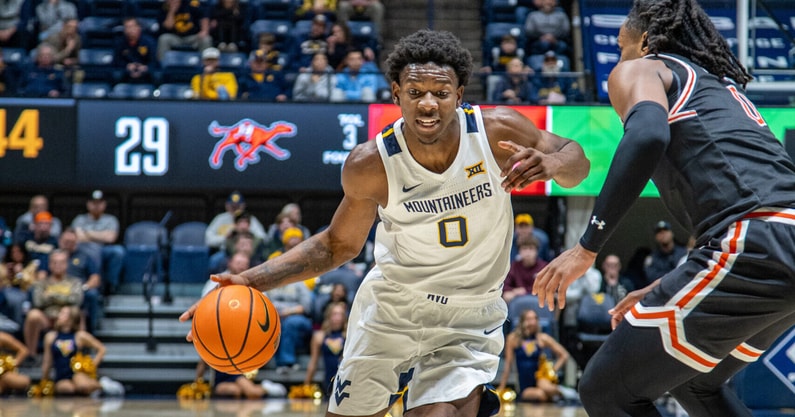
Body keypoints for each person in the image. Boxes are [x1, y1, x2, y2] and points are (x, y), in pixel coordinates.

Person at [181, 29, 588, 416]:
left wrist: (553, 164)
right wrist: (250, 280)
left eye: (441, 93)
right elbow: (336, 246)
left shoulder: (496, 131)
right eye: (415, 92)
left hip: (470, 315)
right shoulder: (370, 164)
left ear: (459, 95)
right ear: (396, 93)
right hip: (393, 309)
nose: (428, 104)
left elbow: (579, 160)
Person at [532, 1, 795, 416]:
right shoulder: (716, 87)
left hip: (757, 240)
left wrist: (587, 247)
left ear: (645, 42)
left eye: (621, 48)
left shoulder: (643, 68)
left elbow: (646, 137)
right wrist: (672, 281)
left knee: (605, 390)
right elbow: (738, 192)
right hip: (774, 237)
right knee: (693, 381)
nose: (618, 61)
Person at [496, 309, 577, 403]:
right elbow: (508, 365)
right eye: (529, 319)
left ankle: (567, 393)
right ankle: (558, 395)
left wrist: (552, 371)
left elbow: (564, 355)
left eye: (535, 319)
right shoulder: (513, 339)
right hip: (525, 386)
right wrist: (501, 387)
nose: (533, 322)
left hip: (540, 379)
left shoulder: (541, 338)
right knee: (540, 395)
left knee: (546, 387)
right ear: (522, 322)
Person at [23, 250, 83, 362]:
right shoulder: (42, 283)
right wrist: (64, 298)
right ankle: (31, 355)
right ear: (50, 264)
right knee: (33, 314)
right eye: (54, 262)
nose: (57, 265)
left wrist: (52, 296)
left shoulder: (75, 282)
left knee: (78, 312)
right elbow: (38, 302)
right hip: (47, 318)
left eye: (61, 262)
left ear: (66, 264)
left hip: (68, 318)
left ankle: (79, 355)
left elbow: (76, 300)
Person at [40, 305, 105, 396]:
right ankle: (89, 390)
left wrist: (92, 366)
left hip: (76, 373)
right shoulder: (51, 337)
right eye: (60, 313)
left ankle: (104, 385)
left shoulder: (79, 336)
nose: (59, 315)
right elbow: (47, 361)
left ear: (71, 318)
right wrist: (44, 381)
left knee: (82, 385)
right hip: (61, 376)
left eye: (63, 313)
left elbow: (101, 349)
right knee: (68, 389)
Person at [71, 190, 125, 297]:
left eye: (99, 203)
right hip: (84, 249)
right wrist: (101, 235)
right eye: (94, 203)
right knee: (91, 251)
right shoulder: (80, 219)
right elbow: (78, 237)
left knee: (118, 251)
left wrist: (88, 233)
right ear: (88, 204)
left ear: (104, 204)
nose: (96, 206)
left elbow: (111, 238)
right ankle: (96, 286)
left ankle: (110, 284)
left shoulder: (110, 219)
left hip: (104, 249)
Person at [58, 228, 102, 334]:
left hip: (79, 290)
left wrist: (83, 288)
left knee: (92, 294)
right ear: (60, 241)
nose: (68, 244)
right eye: (66, 241)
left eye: (71, 242)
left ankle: (90, 333)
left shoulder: (85, 256)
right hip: (56, 288)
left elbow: (95, 278)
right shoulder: (54, 256)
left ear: (76, 241)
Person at [304, 301, 347, 393]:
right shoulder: (319, 336)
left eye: (341, 314)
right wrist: (306, 385)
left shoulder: (348, 336)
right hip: (328, 380)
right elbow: (313, 362)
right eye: (335, 314)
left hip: (345, 380)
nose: (338, 317)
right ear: (329, 316)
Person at [502, 236, 546, 304]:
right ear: (519, 251)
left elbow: (551, 287)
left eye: (531, 248)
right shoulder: (513, 266)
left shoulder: (544, 266)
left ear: (536, 251)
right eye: (524, 249)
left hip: (538, 297)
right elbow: (505, 286)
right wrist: (515, 290)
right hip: (518, 298)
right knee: (507, 295)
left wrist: (527, 290)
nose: (528, 252)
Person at [114, 17, 157, 84]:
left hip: (146, 75)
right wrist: (127, 66)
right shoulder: (120, 43)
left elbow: (154, 61)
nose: (129, 30)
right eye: (126, 27)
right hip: (126, 75)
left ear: (138, 28)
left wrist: (145, 67)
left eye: (131, 27)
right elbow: (116, 61)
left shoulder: (149, 42)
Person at [643, 220, 687, 284]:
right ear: (656, 237)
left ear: (672, 233)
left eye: (665, 230)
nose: (663, 234)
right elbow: (652, 278)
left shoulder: (683, 252)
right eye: (659, 232)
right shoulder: (652, 259)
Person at [0, 330, 30, 394]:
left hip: (4, 374)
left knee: (23, 381)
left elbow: (23, 350)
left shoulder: (2, 337)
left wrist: (12, 364)